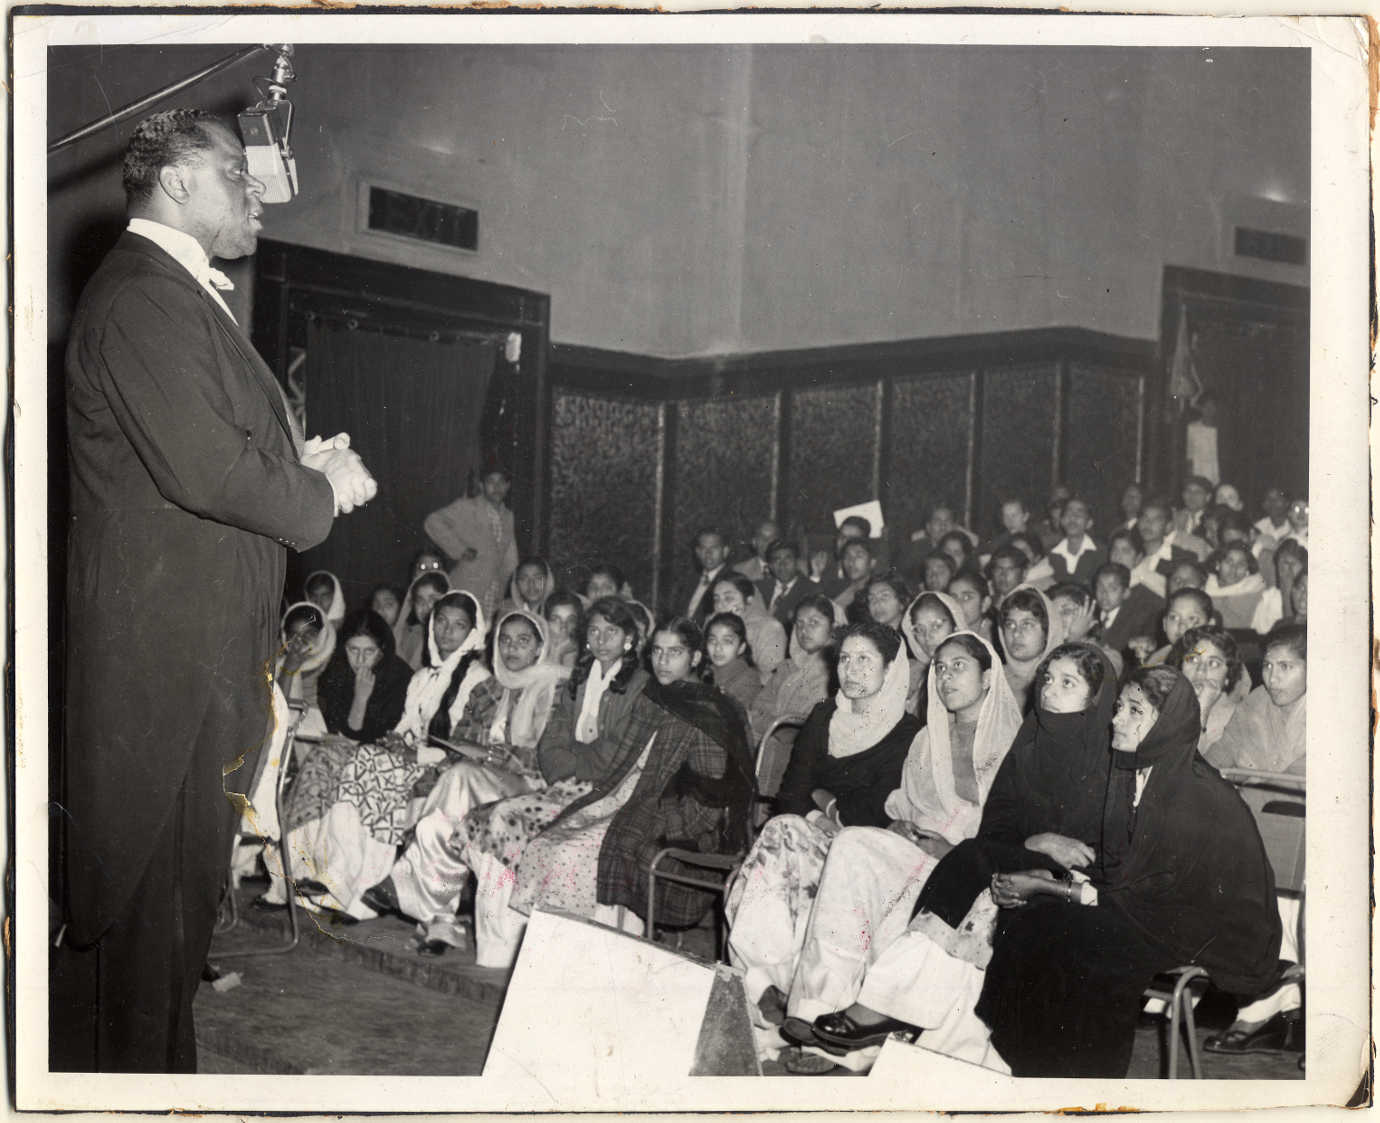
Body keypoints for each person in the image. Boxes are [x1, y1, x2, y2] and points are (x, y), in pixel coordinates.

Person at [56, 108, 377, 1073]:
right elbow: (208, 475)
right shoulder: (145, 298)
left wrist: (293, 453)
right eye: (239, 175)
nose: (259, 195)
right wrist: (323, 489)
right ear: (180, 181)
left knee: (169, 946)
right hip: (164, 687)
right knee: (144, 953)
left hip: (196, 676)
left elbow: (209, 454)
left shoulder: (177, 299)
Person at [808, 643, 1114, 1067]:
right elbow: (1000, 827)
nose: (1049, 691)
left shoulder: (1110, 758)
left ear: (1094, 698)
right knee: (971, 864)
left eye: (1068, 683)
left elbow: (1094, 850)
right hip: (1016, 860)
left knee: (975, 876)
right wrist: (1035, 843)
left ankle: (893, 1014)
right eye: (1047, 679)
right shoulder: (1031, 744)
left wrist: (1041, 850)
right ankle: (891, 1013)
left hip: (1076, 887)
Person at [975, 666, 1282, 1077]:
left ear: (1167, 724)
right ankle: (1022, 1067)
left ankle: (1087, 1085)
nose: (1116, 719)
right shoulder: (1134, 770)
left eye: (1134, 710)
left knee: (1089, 944)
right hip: (1155, 909)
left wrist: (1050, 887)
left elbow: (1147, 897)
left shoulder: (1193, 793)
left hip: (1213, 928)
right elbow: (1123, 869)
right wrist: (1053, 883)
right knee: (1031, 922)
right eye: (1119, 707)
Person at [747, 632, 1023, 1069]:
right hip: (919, 851)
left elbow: (1018, 829)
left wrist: (954, 847)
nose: (947, 677)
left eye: (960, 667)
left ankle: (855, 1029)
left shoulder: (1016, 745)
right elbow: (904, 806)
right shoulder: (926, 740)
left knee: (876, 870)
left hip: (972, 865)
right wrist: (897, 823)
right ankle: (815, 1009)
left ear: (988, 678)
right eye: (941, 668)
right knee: (855, 842)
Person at [724, 622, 924, 1050]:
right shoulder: (823, 716)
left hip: (868, 852)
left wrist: (824, 800)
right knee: (781, 831)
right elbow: (790, 794)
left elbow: (875, 809)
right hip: (821, 835)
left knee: (806, 843)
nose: (851, 670)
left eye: (864, 660)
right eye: (845, 659)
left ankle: (798, 997)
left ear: (891, 670)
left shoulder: (909, 733)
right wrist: (822, 815)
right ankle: (765, 983)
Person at [504, 619, 754, 947]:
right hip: (623, 799)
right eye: (657, 652)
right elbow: (619, 769)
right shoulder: (652, 697)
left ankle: (588, 956)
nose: (663, 661)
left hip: (673, 820)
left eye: (675, 653)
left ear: (694, 658)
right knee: (545, 843)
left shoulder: (710, 711)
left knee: (570, 855)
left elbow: (710, 801)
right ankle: (555, 956)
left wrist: (665, 827)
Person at [276, 591, 491, 919]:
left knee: (373, 768)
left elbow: (466, 746)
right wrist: (396, 742)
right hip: (410, 759)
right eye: (442, 623)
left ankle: (361, 891)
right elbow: (406, 726)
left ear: (473, 632)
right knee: (364, 763)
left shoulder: (479, 680)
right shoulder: (424, 677)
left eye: (458, 626)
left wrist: (410, 753)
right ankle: (340, 879)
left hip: (444, 769)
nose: (447, 633)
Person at [460, 597, 650, 966]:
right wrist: (569, 767)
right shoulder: (579, 678)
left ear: (629, 638)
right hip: (566, 784)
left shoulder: (640, 685)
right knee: (494, 819)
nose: (601, 639)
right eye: (594, 630)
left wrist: (578, 762)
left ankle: (541, 949)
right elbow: (552, 742)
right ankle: (501, 945)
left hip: (608, 792)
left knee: (525, 825)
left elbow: (618, 751)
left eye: (611, 631)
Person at [369, 608, 571, 952]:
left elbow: (550, 757)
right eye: (505, 641)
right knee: (435, 828)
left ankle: (403, 876)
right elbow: (459, 742)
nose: (512, 649)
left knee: (459, 776)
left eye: (523, 641)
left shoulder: (555, 689)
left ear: (539, 648)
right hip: (480, 783)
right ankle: (441, 925)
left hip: (533, 786)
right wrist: (473, 752)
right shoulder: (486, 690)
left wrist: (499, 757)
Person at [1204, 622, 1306, 1054]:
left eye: (1287, 666)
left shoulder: (1341, 705)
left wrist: (1253, 782)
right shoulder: (1256, 702)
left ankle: (1282, 1005)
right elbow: (1219, 759)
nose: (1273, 676)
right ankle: (1274, 1002)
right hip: (1262, 831)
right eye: (1267, 665)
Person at [748, 594, 839, 797]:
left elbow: (806, 726)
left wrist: (770, 724)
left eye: (814, 623)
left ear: (833, 628)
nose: (804, 630)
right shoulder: (787, 667)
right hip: (773, 739)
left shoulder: (834, 673)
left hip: (803, 756)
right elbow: (758, 706)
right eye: (799, 624)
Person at [424, 466, 520, 621]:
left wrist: (504, 589)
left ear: (508, 486)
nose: (496, 487)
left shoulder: (509, 516)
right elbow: (432, 522)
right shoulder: (467, 507)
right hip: (467, 586)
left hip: (494, 592)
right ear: (481, 486)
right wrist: (459, 549)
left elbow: (511, 560)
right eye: (491, 482)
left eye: (501, 482)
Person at [316, 608, 413, 744]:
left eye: (369, 651)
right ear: (343, 647)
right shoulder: (338, 669)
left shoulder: (400, 678)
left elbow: (357, 738)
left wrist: (360, 699)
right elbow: (335, 727)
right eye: (353, 649)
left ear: (382, 651)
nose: (360, 660)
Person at [1169, 624, 1244, 752]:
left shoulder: (1235, 719)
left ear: (1228, 676)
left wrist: (1203, 711)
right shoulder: (1166, 705)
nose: (1200, 671)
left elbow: (1191, 766)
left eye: (1213, 663)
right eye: (1192, 659)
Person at [996, 586, 1066, 710]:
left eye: (1027, 624)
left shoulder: (1062, 681)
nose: (1016, 633)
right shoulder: (991, 678)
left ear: (1047, 632)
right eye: (1010, 625)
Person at [712, 573, 787, 683]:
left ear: (749, 600)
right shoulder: (714, 623)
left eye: (728, 598)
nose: (720, 605)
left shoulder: (770, 628)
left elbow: (770, 679)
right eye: (716, 599)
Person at [1131, 495, 1210, 597]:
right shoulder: (1132, 555)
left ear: (1168, 526)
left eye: (1156, 519)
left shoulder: (1183, 558)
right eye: (1144, 518)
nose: (1148, 523)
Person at [1024, 496, 1105, 588]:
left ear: (1089, 523)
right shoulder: (1052, 554)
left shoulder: (1102, 552)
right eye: (1068, 512)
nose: (1072, 517)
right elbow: (1029, 578)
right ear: (1062, 521)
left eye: (1079, 513)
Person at [1094, 561, 1163, 660]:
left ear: (1126, 593)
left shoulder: (1138, 621)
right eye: (1100, 587)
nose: (1104, 594)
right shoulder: (1089, 612)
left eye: (1112, 589)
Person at [274, 602, 336, 712]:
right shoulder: (279, 662)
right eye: (293, 635)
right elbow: (278, 708)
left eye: (309, 634)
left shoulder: (331, 662)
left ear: (321, 636)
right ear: (285, 636)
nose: (300, 641)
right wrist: (288, 670)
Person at [704, 611, 762, 720]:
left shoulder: (748, 678)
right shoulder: (704, 671)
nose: (717, 648)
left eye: (727, 641)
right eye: (712, 641)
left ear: (741, 648)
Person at [1143, 586, 1216, 667]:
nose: (1181, 626)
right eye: (1174, 618)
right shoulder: (1158, 660)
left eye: (1192, 618)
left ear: (1210, 625)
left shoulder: (1214, 661)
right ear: (1164, 624)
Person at [672, 527, 732, 625]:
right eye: (704, 548)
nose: (708, 553)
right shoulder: (689, 579)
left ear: (725, 551)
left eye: (714, 548)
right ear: (697, 552)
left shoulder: (730, 581)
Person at [758, 539, 821, 631]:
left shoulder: (810, 590)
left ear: (797, 563)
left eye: (788, 558)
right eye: (777, 559)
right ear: (770, 566)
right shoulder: (759, 587)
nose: (782, 564)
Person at [393, 570, 449, 671]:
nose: (426, 606)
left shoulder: (455, 640)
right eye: (420, 600)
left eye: (434, 600)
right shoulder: (408, 636)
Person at [1206, 542, 1267, 630]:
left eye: (1241, 564)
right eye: (1229, 562)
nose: (1234, 568)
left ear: (1247, 570)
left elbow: (1240, 627)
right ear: (1218, 565)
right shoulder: (1205, 584)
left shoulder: (1255, 591)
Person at [1252, 539, 1307, 635]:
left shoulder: (1306, 598)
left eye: (1291, 564)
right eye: (1280, 564)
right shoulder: (1269, 597)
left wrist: (1287, 592)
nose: (1284, 570)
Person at [542, 589, 586, 670]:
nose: (563, 627)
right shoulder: (535, 652)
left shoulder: (585, 657)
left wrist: (559, 652)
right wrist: (558, 653)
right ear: (546, 622)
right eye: (556, 619)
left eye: (571, 620)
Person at [736, 518, 782, 583]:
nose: (767, 541)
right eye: (762, 537)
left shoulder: (798, 569)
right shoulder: (739, 571)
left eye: (772, 538)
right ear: (754, 542)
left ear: (779, 542)